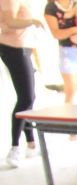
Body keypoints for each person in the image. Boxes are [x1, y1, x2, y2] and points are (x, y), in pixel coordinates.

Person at [0, 0, 42, 167]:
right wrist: (32, 21)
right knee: (25, 98)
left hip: (23, 47)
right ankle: (14, 147)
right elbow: (10, 22)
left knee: (29, 98)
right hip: (13, 49)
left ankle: (31, 144)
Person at [43, 0, 77, 105]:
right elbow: (56, 34)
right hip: (68, 52)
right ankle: (70, 117)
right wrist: (75, 30)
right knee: (71, 89)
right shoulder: (51, 8)